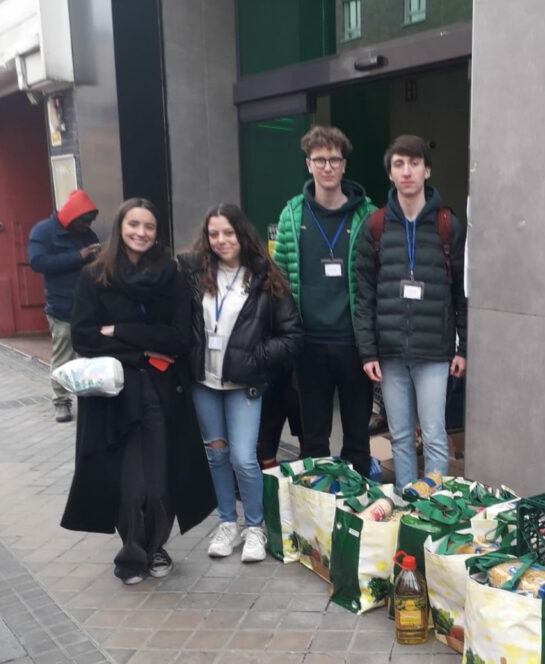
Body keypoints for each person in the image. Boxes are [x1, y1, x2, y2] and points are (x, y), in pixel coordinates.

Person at [61, 198, 216, 585]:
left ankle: (157, 546)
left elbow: (179, 338)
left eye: (149, 226)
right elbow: (83, 336)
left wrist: (120, 331)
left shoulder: (173, 276)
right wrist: (145, 347)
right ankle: (132, 553)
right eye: (134, 224)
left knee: (161, 474)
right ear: (120, 227)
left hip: (164, 389)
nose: (141, 233)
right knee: (129, 478)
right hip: (114, 394)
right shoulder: (95, 275)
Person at [180, 204, 303, 562]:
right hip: (204, 381)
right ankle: (226, 524)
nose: (221, 241)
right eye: (214, 234)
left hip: (243, 384)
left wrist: (255, 358)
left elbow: (292, 335)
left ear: (242, 234)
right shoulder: (193, 273)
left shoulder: (264, 277)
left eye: (228, 233)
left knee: (243, 458)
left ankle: (255, 528)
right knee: (216, 455)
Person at [353, 135, 467, 488]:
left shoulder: (449, 226)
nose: (407, 172)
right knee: (400, 437)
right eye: (399, 164)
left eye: (414, 163)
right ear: (390, 174)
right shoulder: (374, 227)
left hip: (434, 352)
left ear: (426, 170)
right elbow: (364, 296)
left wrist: (464, 349)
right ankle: (404, 509)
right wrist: (367, 351)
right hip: (388, 353)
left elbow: (461, 293)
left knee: (433, 435)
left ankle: (434, 510)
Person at [273, 125, 377, 476]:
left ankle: (357, 513)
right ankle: (316, 515)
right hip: (309, 345)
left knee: (357, 438)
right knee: (314, 439)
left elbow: (376, 279)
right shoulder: (292, 216)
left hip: (353, 344)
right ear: (308, 164)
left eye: (334, 159)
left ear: (344, 165)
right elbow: (281, 278)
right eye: (320, 159)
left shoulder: (368, 216)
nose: (328, 166)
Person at [28, 190, 101, 423]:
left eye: (90, 222)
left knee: (91, 355)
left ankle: (91, 400)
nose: (88, 226)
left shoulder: (86, 234)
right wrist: (78, 256)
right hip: (62, 307)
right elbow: (38, 262)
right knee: (63, 356)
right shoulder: (43, 232)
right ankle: (61, 401)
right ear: (72, 217)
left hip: (89, 306)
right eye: (85, 221)